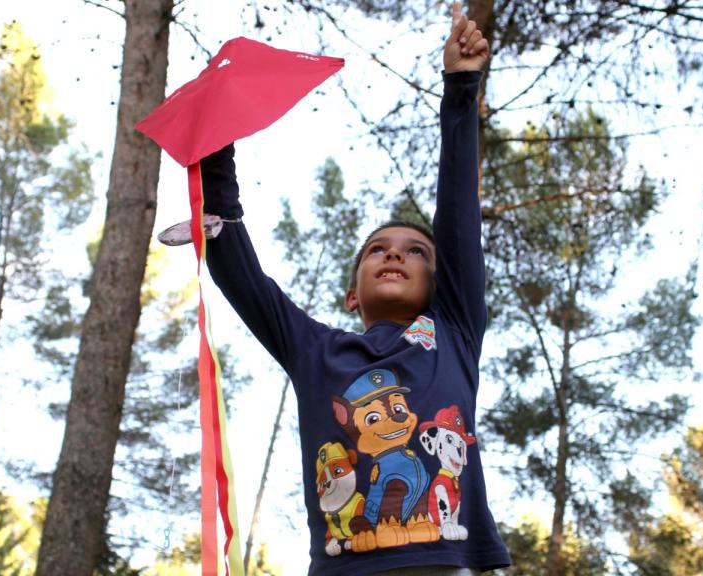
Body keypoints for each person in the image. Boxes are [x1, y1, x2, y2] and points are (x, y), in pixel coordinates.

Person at [200, 3, 511, 574]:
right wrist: (215, 151)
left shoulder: (453, 331)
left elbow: (458, 211)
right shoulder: (317, 351)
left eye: (416, 251)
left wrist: (462, 89)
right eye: (377, 249)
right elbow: (238, 272)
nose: (395, 252)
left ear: (441, 283)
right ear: (352, 295)